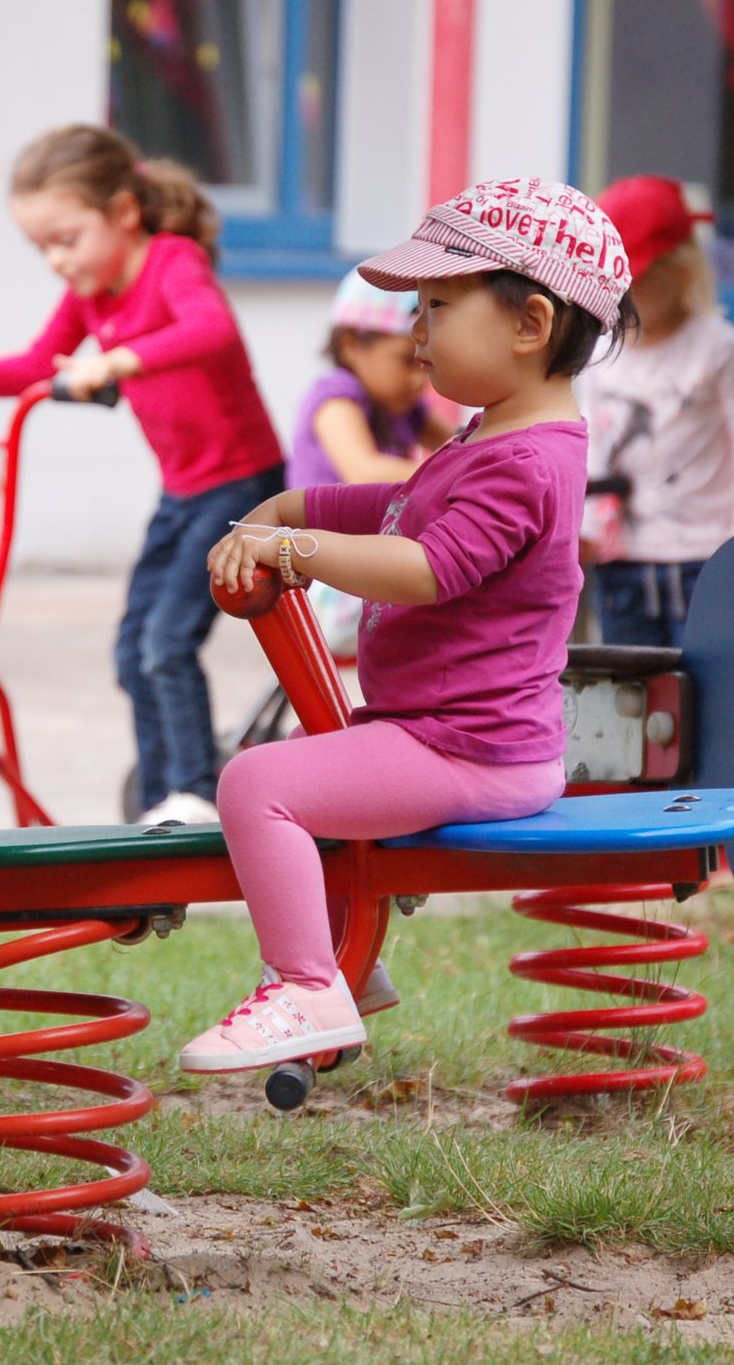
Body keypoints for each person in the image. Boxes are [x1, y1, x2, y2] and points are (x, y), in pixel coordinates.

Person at [181, 178, 635, 1073]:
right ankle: (354, 966)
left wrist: (295, 548)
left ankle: (309, 989)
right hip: (445, 735)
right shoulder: (491, 441)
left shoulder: (528, 465)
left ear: (530, 325)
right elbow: (400, 501)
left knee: (256, 786)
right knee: (317, 760)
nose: (413, 334)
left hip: (472, 750)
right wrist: (289, 502)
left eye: (435, 307)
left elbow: (429, 567)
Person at [0, 123, 285, 827]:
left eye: (65, 238)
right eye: (39, 247)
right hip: (183, 491)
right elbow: (36, 362)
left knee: (166, 641)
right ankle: (159, 797)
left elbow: (212, 329)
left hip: (241, 485)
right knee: (130, 648)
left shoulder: (170, 262)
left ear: (122, 213)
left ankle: (198, 794)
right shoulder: (94, 291)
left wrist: (120, 361)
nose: (55, 260)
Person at [576, 175, 734, 648]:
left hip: (705, 560)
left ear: (680, 270)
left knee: (705, 686)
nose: (623, 296)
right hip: (622, 560)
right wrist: (581, 529)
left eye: (636, 281)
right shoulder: (602, 352)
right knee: (631, 697)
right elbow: (593, 443)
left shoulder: (718, 348)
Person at [288, 270, 454, 656]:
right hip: (325, 581)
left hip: (367, 570)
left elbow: (462, 446)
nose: (419, 380)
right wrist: (456, 475)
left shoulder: (405, 408)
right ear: (350, 345)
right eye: (406, 361)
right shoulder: (336, 398)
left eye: (425, 364)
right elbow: (363, 471)